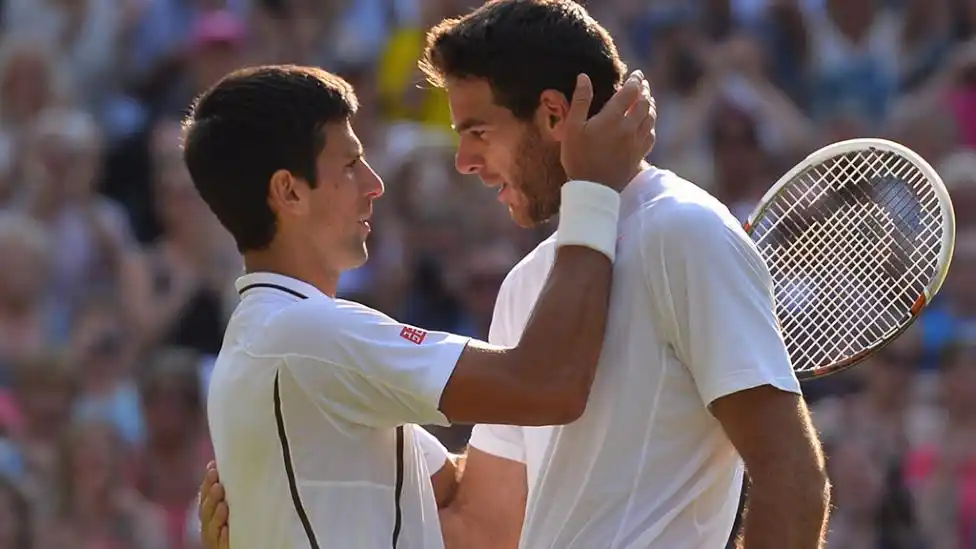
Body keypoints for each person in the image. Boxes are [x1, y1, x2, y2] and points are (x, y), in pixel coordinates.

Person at [198, 1, 831, 548]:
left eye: (478, 130)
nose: (465, 162)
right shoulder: (533, 284)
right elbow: (482, 528)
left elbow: (792, 479)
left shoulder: (683, 231)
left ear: (555, 116)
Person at [184, 61, 654, 549]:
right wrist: (592, 192)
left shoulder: (269, 343)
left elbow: (475, 510)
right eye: (350, 165)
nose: (374, 184)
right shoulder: (306, 336)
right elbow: (549, 384)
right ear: (289, 191)